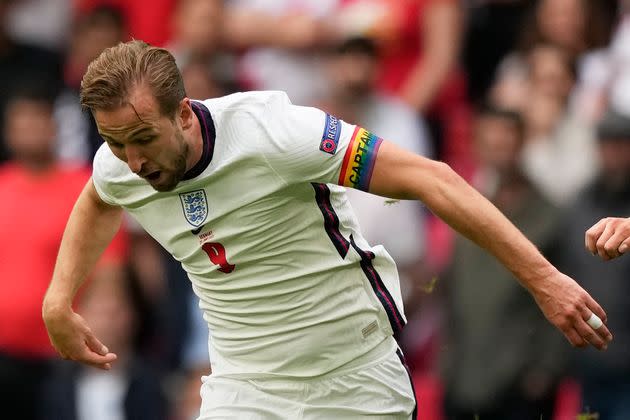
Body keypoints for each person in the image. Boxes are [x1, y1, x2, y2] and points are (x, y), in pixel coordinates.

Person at [43, 40, 612, 419]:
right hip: (246, 386)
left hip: (352, 374)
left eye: (142, 139)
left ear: (185, 113)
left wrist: (544, 280)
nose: (132, 160)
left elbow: (433, 179)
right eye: (116, 143)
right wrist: (58, 300)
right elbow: (98, 198)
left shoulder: (278, 134)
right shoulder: (118, 163)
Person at [0, 88, 126, 420]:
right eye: (21, 121)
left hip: (62, 358)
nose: (30, 129)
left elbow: (109, 272)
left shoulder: (83, 187)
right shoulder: (2, 186)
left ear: (54, 126)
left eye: (37, 120)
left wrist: (103, 335)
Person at [441, 105, 567, 419]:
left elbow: (566, 291)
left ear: (522, 142)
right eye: (489, 137)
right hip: (464, 376)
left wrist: (545, 369)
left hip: (521, 381)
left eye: (506, 136)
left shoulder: (547, 215)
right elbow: (452, 291)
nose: (497, 145)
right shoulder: (466, 207)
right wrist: (445, 363)